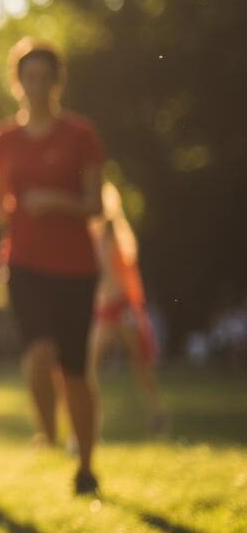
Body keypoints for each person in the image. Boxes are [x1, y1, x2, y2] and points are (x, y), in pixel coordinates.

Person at [0, 37, 105, 495]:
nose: (36, 86)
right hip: (23, 260)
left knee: (73, 369)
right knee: (37, 356)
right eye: (28, 77)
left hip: (75, 265)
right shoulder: (2, 137)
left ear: (57, 82)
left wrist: (54, 200)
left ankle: (86, 466)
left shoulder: (81, 133)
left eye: (44, 78)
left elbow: (95, 204)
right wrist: (9, 208)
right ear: (17, 82)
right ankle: (48, 431)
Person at [90, 182, 168, 435]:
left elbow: (106, 270)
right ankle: (89, 417)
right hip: (105, 309)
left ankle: (157, 412)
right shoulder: (97, 233)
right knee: (89, 366)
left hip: (119, 307)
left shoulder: (111, 234)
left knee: (138, 363)